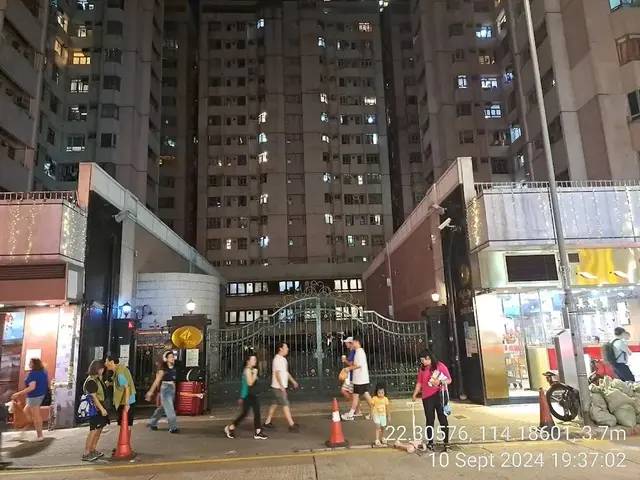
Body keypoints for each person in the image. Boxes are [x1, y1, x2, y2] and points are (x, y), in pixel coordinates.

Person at [412, 350, 451, 451]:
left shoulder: (440, 366)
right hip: (427, 397)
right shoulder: (422, 369)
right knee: (429, 420)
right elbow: (419, 383)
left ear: (428, 358)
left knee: (442, 419)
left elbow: (449, 380)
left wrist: (440, 382)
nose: (422, 362)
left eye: (423, 360)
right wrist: (415, 394)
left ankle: (446, 442)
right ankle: (430, 442)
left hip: (440, 395)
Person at [224, 354, 267, 440]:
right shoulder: (247, 370)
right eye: (253, 359)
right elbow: (249, 383)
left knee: (256, 412)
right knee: (245, 413)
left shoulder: (251, 370)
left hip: (252, 394)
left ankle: (258, 431)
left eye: (255, 359)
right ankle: (230, 427)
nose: (255, 361)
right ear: (248, 361)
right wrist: (255, 373)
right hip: (248, 395)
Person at [263, 343, 299, 432]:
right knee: (285, 404)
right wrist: (281, 386)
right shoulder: (277, 359)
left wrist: (293, 381)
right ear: (280, 349)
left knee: (274, 404)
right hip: (278, 387)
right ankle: (291, 424)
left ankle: (267, 422)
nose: (288, 349)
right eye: (286, 347)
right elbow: (277, 373)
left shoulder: (283, 359)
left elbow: (286, 372)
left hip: (279, 386)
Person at [11, 358, 48, 442]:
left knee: (36, 416)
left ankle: (40, 436)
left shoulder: (33, 374)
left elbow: (32, 387)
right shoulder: (43, 372)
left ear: (35, 364)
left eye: (31, 363)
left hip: (34, 396)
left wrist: (18, 394)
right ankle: (22, 434)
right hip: (39, 395)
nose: (29, 364)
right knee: (25, 413)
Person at [145, 351, 179, 434]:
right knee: (170, 408)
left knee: (163, 408)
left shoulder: (174, 368)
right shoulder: (163, 369)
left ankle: (152, 422)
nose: (172, 358)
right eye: (170, 357)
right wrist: (151, 391)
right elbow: (157, 380)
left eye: (173, 356)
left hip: (172, 389)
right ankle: (173, 427)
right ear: (166, 359)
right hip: (165, 389)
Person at [82, 360, 110, 462]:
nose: (103, 370)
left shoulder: (97, 379)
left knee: (99, 429)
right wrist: (102, 409)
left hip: (99, 407)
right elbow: (93, 397)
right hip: (95, 409)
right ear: (96, 369)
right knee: (93, 430)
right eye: (101, 369)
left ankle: (93, 449)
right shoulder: (91, 381)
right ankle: (86, 453)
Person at [104, 355, 136, 440]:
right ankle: (124, 443)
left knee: (126, 424)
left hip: (126, 401)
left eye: (106, 361)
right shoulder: (121, 369)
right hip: (127, 400)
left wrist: (126, 404)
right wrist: (111, 383)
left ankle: (125, 444)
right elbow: (121, 384)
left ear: (111, 362)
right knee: (125, 424)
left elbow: (126, 387)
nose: (105, 364)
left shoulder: (120, 373)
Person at [341, 337, 372, 421]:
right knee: (363, 396)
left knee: (356, 397)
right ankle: (374, 412)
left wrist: (348, 368)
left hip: (360, 379)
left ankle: (351, 414)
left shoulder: (359, 352)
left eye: (353, 342)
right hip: (360, 378)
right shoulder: (359, 351)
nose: (352, 343)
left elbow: (358, 365)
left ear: (357, 342)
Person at [340, 338, 362, 417]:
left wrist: (345, 360)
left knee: (352, 393)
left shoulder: (353, 351)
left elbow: (352, 365)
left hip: (353, 376)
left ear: (351, 343)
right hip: (351, 375)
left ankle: (356, 410)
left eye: (347, 343)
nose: (345, 344)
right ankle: (356, 409)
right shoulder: (353, 351)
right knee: (349, 393)